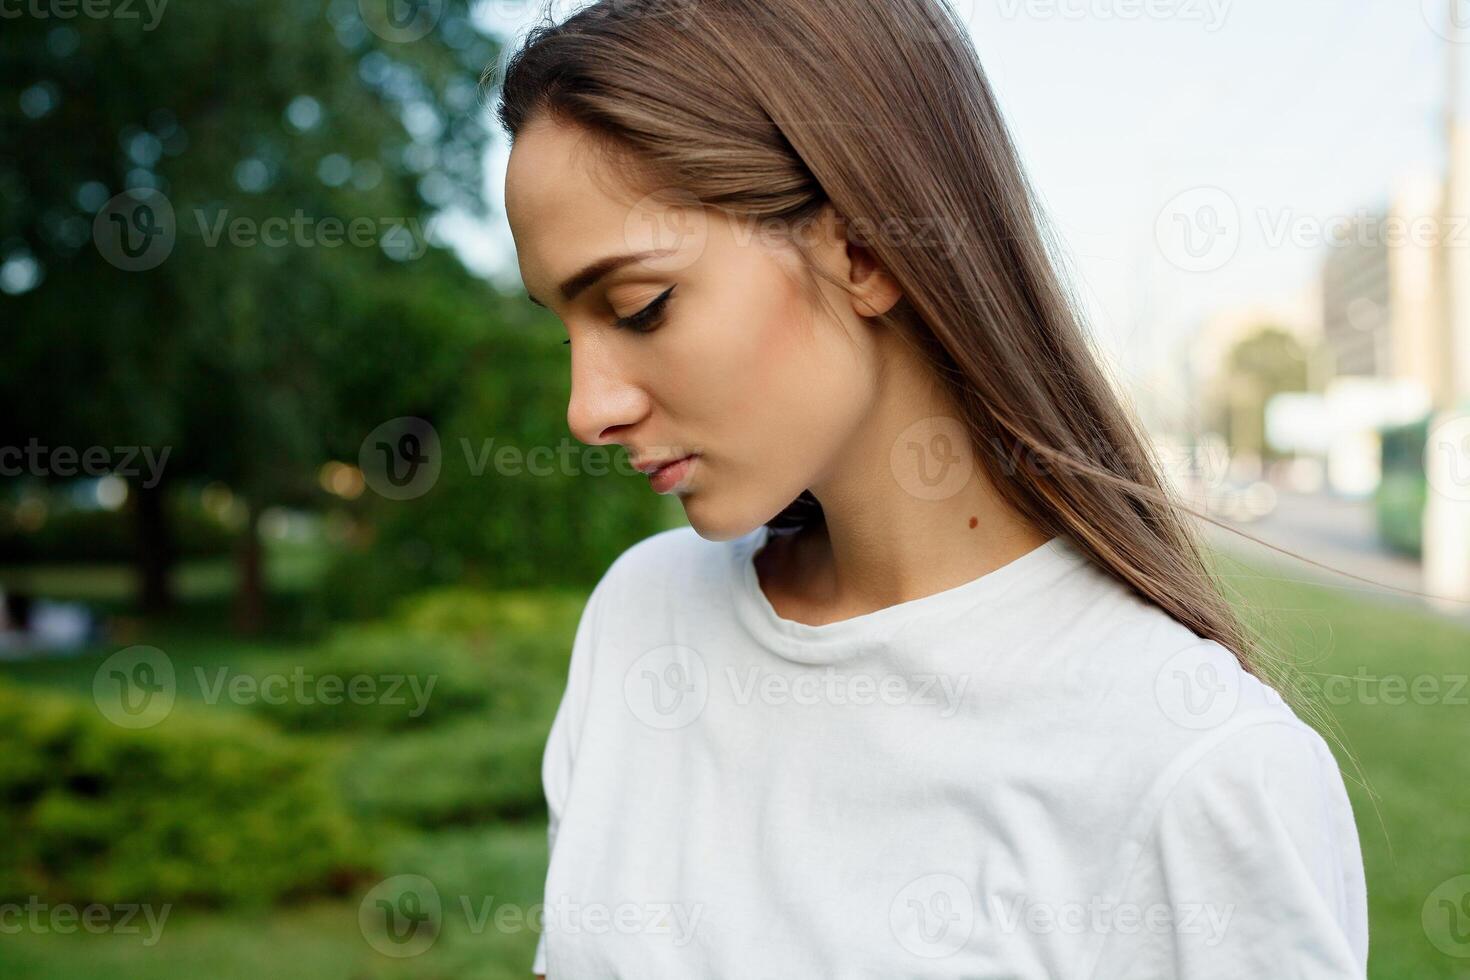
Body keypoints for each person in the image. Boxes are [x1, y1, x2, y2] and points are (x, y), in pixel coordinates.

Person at [494, 0, 1369, 975]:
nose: (586, 407)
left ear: (862, 248)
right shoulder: (640, 621)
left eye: (638, 307)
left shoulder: (1199, 770)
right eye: (564, 325)